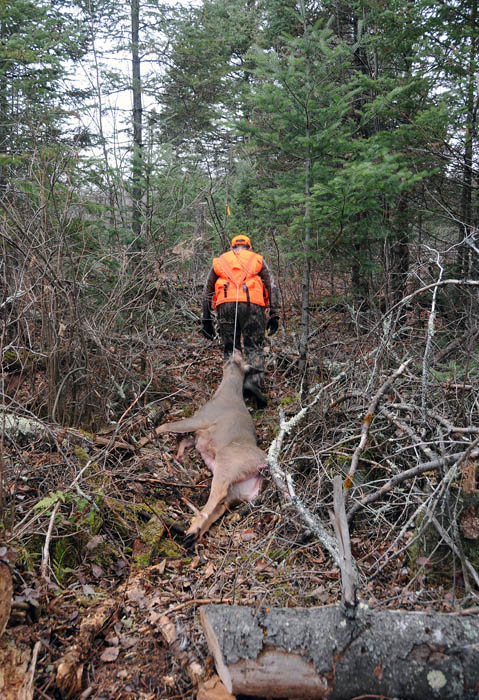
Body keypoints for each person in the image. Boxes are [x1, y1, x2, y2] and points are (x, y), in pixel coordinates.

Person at [201, 234, 279, 407]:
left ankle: (232, 389)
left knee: (231, 348)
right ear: (249, 248)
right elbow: (271, 285)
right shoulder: (257, 259)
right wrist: (274, 313)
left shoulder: (221, 260)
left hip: (226, 305)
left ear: (232, 248)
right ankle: (253, 383)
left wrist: (205, 318)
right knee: (254, 346)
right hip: (253, 305)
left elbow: (207, 290)